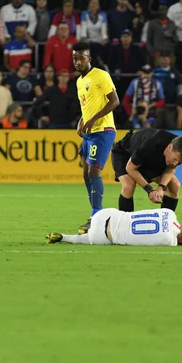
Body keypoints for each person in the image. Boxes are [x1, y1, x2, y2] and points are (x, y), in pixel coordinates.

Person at [73, 41, 120, 234]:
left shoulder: (101, 75)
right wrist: (82, 120)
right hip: (89, 132)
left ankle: (96, 216)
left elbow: (114, 101)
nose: (78, 62)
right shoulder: (79, 81)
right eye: (75, 58)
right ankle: (95, 213)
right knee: (85, 173)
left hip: (103, 130)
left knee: (94, 172)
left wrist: (92, 120)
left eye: (82, 58)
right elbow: (88, 105)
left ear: (89, 59)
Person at [111, 129, 182, 213]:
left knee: (175, 185)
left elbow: (170, 169)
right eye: (175, 159)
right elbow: (130, 168)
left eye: (179, 162)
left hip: (147, 161)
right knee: (129, 185)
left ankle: (165, 223)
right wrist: (149, 190)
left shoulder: (178, 147)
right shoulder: (151, 143)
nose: (175, 164)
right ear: (169, 147)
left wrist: (161, 187)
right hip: (124, 154)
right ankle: (125, 224)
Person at [46, 208, 182, 246]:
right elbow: (175, 236)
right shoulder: (170, 242)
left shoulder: (169, 212)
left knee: (119, 214)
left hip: (105, 214)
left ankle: (90, 221)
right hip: (102, 237)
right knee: (84, 239)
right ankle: (66, 237)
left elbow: (174, 227)